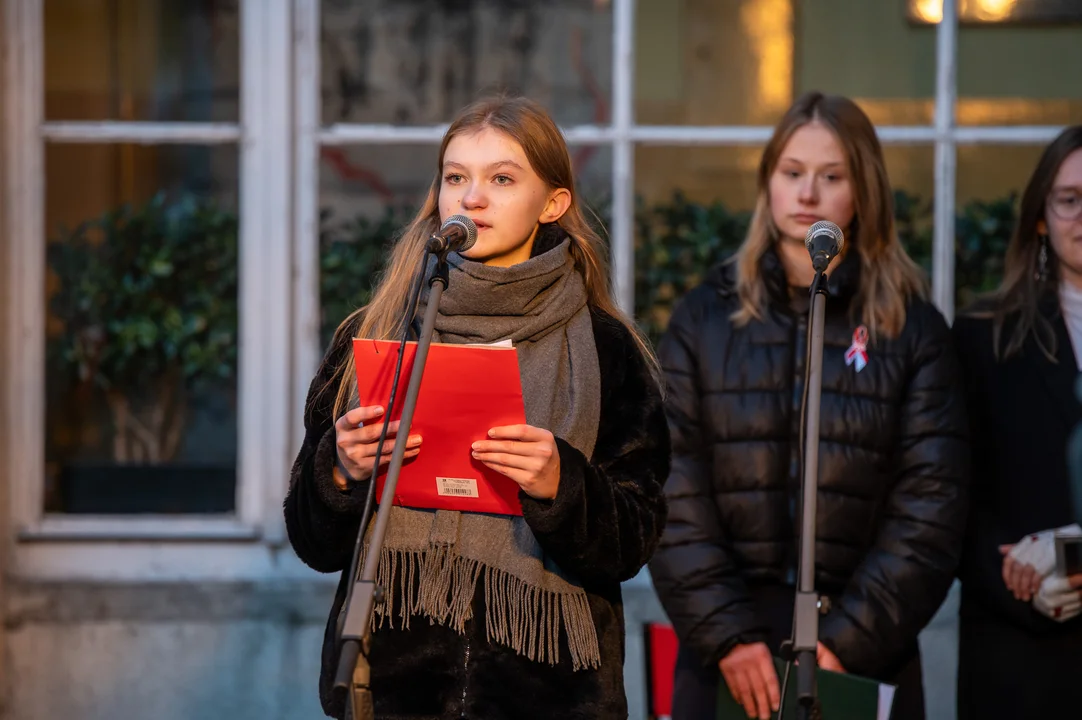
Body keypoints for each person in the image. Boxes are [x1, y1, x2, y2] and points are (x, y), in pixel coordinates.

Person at [283, 95, 670, 720]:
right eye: (456, 176)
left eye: (502, 179)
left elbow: (634, 540)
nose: (472, 198)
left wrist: (561, 484)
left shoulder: (605, 348)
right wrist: (340, 471)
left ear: (553, 204)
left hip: (553, 695)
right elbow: (312, 541)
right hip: (393, 690)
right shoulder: (377, 332)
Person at [647, 91, 970, 720]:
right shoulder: (703, 318)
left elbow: (932, 506)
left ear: (864, 191)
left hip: (862, 646)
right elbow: (670, 483)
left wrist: (847, 645)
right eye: (792, 173)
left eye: (832, 176)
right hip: (730, 649)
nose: (808, 195)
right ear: (769, 181)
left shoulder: (913, 330)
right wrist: (729, 635)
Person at [952, 125, 1082, 719]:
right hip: (1019, 650)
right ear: (1040, 217)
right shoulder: (985, 336)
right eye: (1070, 199)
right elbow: (952, 495)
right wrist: (1014, 576)